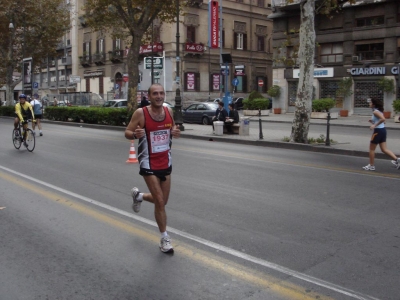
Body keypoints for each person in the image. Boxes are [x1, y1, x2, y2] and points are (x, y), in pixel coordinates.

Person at [124, 83, 180, 253]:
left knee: (162, 201)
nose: (159, 96)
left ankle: (139, 196)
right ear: (149, 96)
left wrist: (175, 132)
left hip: (166, 161)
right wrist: (135, 134)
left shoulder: (168, 111)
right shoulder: (141, 113)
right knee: (160, 202)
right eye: (155, 93)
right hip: (148, 162)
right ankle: (164, 238)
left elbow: (173, 128)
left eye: (161, 93)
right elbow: (127, 131)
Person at [362, 97, 400, 171]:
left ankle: (371, 165)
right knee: (384, 149)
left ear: (373, 104)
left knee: (371, 149)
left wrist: (374, 125)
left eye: (370, 103)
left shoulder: (375, 112)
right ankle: (397, 159)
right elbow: (383, 121)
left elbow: (383, 119)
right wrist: (372, 122)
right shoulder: (379, 111)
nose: (369, 104)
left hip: (378, 132)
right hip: (383, 131)